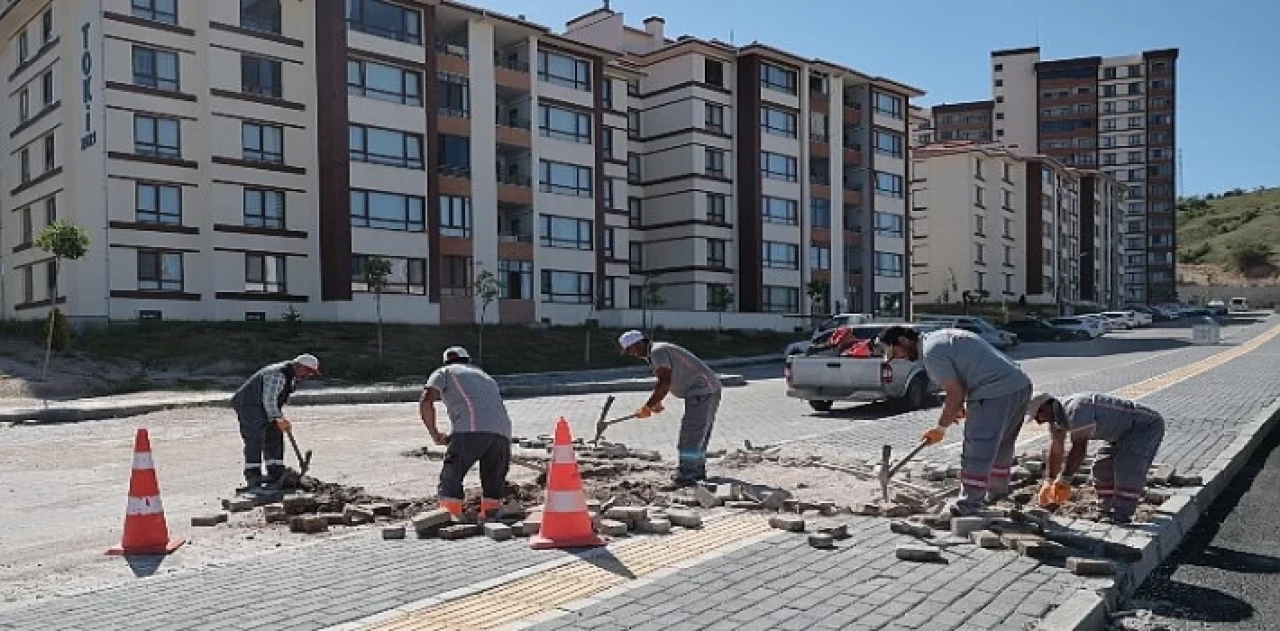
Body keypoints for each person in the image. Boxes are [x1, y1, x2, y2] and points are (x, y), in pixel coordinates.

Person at [879, 325, 1033, 516]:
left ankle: (968, 506)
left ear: (903, 340)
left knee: (977, 448)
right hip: (1019, 385)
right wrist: (958, 406)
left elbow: (955, 393)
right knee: (1001, 446)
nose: (899, 358)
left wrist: (941, 428)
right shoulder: (940, 337)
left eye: (896, 352)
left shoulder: (931, 353)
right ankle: (996, 494)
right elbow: (967, 370)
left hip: (994, 392)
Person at [1026, 392, 1166, 524]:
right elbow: (1056, 449)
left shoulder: (1076, 409)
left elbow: (1079, 448)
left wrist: (1065, 479)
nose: (1038, 422)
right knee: (1101, 468)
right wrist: (1049, 480)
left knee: (1127, 468)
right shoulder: (1056, 420)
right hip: (1119, 433)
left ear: (1045, 406)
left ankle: (1121, 516)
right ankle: (1105, 510)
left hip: (1144, 426)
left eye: (1038, 416)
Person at [618, 330, 723, 489]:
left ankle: (686, 475)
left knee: (691, 434)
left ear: (640, 343)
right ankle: (697, 471)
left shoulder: (657, 352)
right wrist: (657, 401)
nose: (631, 354)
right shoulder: (656, 352)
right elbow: (667, 379)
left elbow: (664, 381)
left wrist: (649, 406)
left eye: (631, 349)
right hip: (706, 389)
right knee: (699, 432)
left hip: (702, 390)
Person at [420, 346, 513, 520]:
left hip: (470, 430)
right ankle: (491, 515)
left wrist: (435, 433)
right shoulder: (485, 376)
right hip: (502, 432)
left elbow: (426, 401)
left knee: (452, 475)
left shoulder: (444, 372)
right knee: (493, 478)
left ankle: (450, 515)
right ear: (468, 360)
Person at [231, 353, 321, 488]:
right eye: (308, 372)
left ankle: (276, 471)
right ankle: (253, 475)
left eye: (311, 373)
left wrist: (279, 418)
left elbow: (276, 400)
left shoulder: (291, 376)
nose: (308, 376)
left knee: (275, 435)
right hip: (249, 404)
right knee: (254, 438)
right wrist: (278, 418)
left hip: (264, 406)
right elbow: (269, 400)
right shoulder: (277, 374)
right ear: (298, 366)